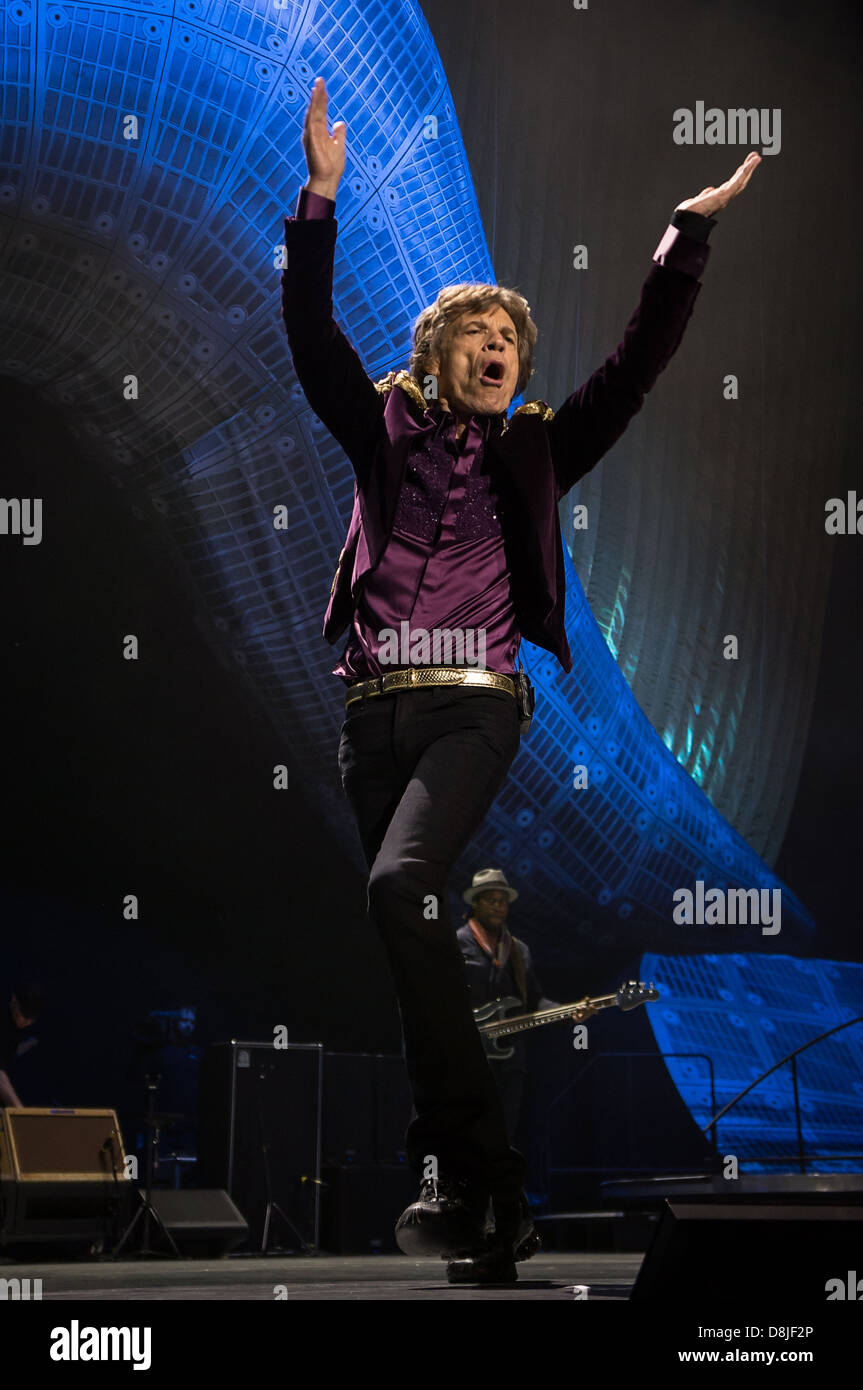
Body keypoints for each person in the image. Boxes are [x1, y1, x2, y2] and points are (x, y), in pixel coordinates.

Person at [281, 76, 760, 1283]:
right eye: (478, 337)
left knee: (399, 891)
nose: (500, 349)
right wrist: (320, 200)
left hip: (472, 708)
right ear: (434, 353)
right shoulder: (381, 426)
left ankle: (466, 1179)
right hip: (366, 718)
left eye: (512, 343)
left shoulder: (540, 448)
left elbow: (637, 364)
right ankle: (487, 1201)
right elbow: (307, 334)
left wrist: (682, 238)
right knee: (407, 938)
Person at [458, 869, 557, 1148]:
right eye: (491, 900)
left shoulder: (518, 950)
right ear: (475, 903)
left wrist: (568, 1012)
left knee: (504, 1135)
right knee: (468, 1132)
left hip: (510, 1059)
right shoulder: (457, 944)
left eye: (503, 901)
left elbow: (534, 999)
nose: (499, 907)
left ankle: (499, 1190)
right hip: (469, 1058)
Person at [0, 984, 43, 1108]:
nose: (25, 1022)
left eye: (30, 1020)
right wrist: (19, 1110)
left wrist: (29, 1044)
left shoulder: (17, 1027)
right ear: (14, 1001)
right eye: (23, 1015)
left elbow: (7, 1054)